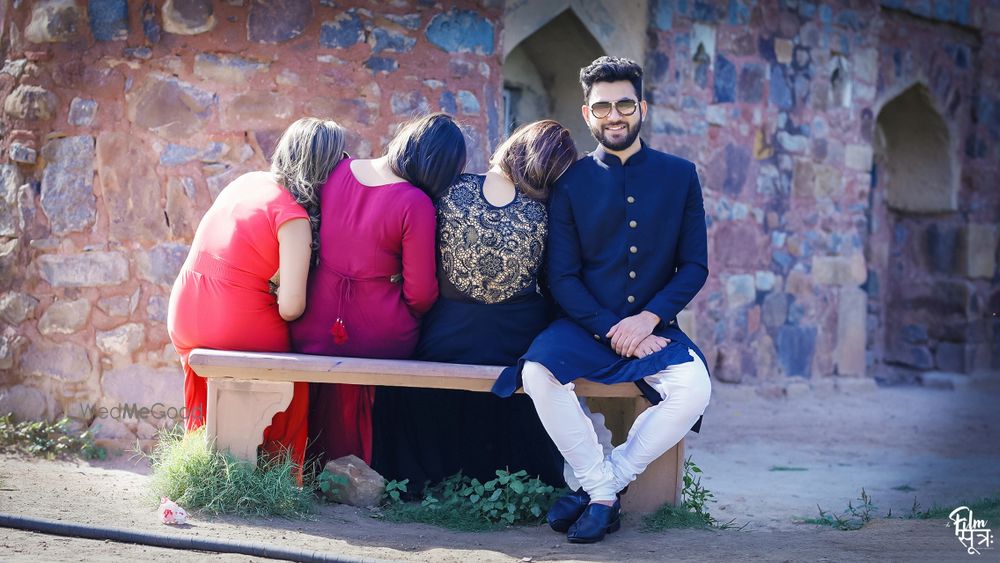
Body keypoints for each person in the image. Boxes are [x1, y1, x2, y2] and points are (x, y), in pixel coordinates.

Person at [493, 56, 713, 543]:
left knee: (695, 388)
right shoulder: (570, 183)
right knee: (536, 372)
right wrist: (615, 328)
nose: (615, 115)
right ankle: (602, 490)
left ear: (642, 108)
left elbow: (694, 266)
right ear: (588, 113)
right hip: (582, 323)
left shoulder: (681, 176)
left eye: (624, 104)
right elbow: (562, 276)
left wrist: (648, 320)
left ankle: (603, 485)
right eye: (603, 106)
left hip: (654, 327)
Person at [372, 120, 578, 493]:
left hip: (444, 339)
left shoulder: (450, 190)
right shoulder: (546, 214)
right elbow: (554, 285)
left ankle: (424, 479)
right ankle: (516, 482)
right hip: (516, 345)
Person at [289, 113, 467, 470]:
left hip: (314, 323)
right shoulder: (415, 203)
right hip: (378, 334)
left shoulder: (338, 171)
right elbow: (420, 294)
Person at [168, 117, 346, 469]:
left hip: (185, 313)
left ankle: (207, 463)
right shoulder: (293, 218)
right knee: (297, 371)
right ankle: (278, 472)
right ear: (324, 169)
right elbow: (291, 308)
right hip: (231, 323)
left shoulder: (246, 181)